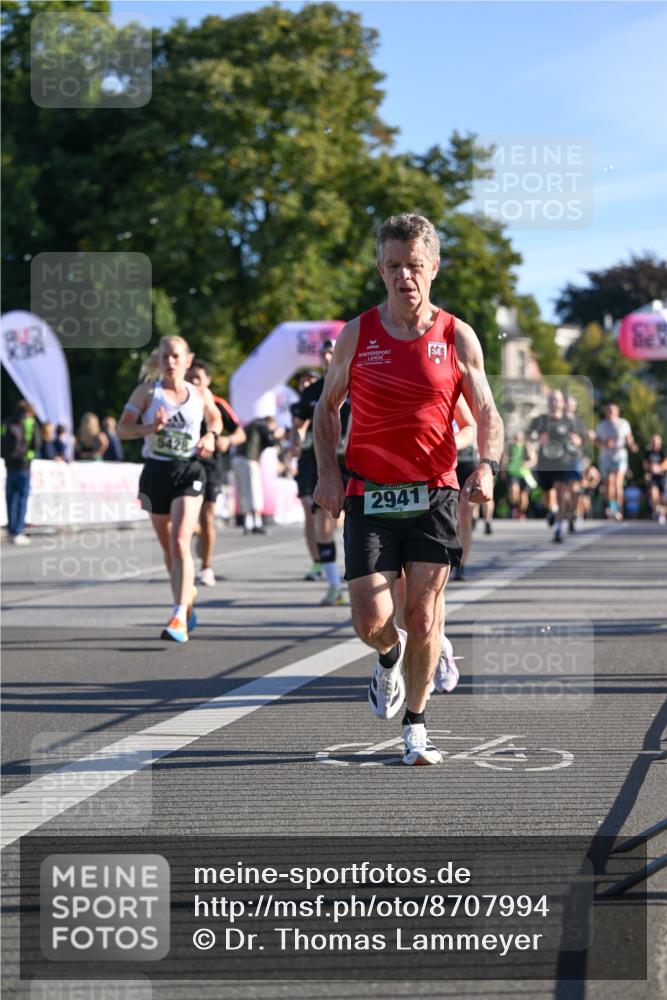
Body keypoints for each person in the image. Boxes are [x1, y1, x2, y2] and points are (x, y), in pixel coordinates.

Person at [314, 213, 503, 766]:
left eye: (414, 265)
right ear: (380, 269)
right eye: (393, 266)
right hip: (369, 492)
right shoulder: (358, 333)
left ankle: (416, 727)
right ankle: (388, 657)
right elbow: (327, 408)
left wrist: (487, 465)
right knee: (370, 621)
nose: (404, 277)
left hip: (434, 491)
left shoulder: (455, 335)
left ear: (434, 267)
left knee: (423, 615)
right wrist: (329, 473)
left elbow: (487, 410)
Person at [118, 335, 222, 642]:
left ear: (188, 360)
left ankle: (178, 615)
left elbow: (215, 420)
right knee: (169, 549)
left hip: (188, 470)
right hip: (155, 472)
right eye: (165, 357)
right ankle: (186, 593)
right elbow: (122, 430)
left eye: (176, 356)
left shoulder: (200, 392)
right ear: (159, 360)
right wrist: (150, 428)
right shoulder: (147, 392)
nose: (170, 362)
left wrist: (210, 437)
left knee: (180, 540)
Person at [291, 341, 350, 605]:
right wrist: (296, 440)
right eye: (325, 352)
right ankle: (334, 586)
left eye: (333, 351)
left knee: (357, 522)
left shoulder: (360, 382)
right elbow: (298, 424)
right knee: (323, 524)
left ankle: (362, 576)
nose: (328, 356)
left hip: (358, 462)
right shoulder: (313, 391)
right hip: (324, 462)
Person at [186, 358, 246, 585]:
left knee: (207, 514)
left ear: (208, 380)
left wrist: (227, 440)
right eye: (190, 378)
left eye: (198, 378)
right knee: (190, 518)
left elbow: (241, 434)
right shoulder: (180, 401)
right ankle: (194, 542)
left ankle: (206, 568)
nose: (194, 382)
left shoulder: (218, 404)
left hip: (211, 466)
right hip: (186, 465)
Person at [528, 390, 580, 543]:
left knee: (561, 492)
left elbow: (578, 439)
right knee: (547, 497)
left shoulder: (568, 421)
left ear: (562, 403)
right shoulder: (540, 420)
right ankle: (552, 511)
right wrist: (538, 439)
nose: (554, 402)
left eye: (557, 400)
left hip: (562, 462)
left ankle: (558, 529)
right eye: (552, 399)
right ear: (548, 402)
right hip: (544, 463)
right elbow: (528, 436)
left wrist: (576, 440)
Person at [288, 370, 323, 581]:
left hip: (330, 462)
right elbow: (295, 431)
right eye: (303, 380)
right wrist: (294, 446)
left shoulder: (327, 393)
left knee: (328, 517)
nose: (307, 383)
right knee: (309, 513)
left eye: (311, 379)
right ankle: (317, 562)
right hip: (307, 463)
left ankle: (331, 556)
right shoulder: (300, 405)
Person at [232, 410, 284, 535]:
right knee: (254, 491)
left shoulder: (252, 425)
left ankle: (247, 522)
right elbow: (270, 440)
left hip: (238, 459)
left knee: (243, 491)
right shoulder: (260, 424)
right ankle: (256, 523)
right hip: (249, 460)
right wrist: (276, 437)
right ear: (270, 423)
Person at [1, 399, 42, 545]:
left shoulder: (6, 422)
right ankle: (18, 531)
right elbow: (37, 443)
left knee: (11, 498)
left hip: (9, 464)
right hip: (24, 464)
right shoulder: (30, 423)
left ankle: (12, 530)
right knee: (21, 498)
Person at [595, 402, 638, 521]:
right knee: (609, 482)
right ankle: (611, 506)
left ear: (617, 412)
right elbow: (596, 440)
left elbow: (629, 438)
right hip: (606, 457)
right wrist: (604, 443)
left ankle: (619, 509)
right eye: (608, 411)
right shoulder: (601, 425)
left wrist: (632, 445)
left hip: (620, 455)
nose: (610, 413)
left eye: (612, 410)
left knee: (618, 483)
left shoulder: (623, 424)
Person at [504, 430, 536, 519]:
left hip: (524, 474)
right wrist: (503, 470)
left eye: (519, 438)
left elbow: (533, 460)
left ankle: (521, 512)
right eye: (515, 438)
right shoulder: (510, 447)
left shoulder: (527, 446)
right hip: (512, 472)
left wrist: (528, 463)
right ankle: (514, 508)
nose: (517, 440)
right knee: (514, 491)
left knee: (523, 495)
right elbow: (505, 459)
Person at [643, 433, 666, 524]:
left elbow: (666, 463)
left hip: (663, 477)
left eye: (656, 442)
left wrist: (659, 467)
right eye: (653, 442)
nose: (655, 444)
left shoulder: (663, 451)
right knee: (653, 492)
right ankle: (656, 510)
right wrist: (650, 468)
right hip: (652, 477)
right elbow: (645, 464)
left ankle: (661, 512)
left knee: (662, 498)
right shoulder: (648, 452)